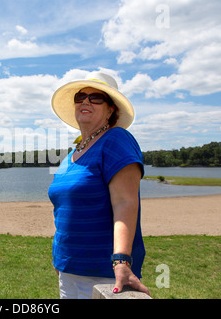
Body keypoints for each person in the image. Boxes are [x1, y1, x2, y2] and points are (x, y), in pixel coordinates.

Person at [48, 72, 150, 299]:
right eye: (80, 96)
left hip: (105, 274)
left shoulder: (116, 139)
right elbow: (63, 210)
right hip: (69, 272)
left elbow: (125, 202)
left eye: (95, 97)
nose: (85, 101)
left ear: (111, 109)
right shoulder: (72, 155)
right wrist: (59, 257)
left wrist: (121, 260)